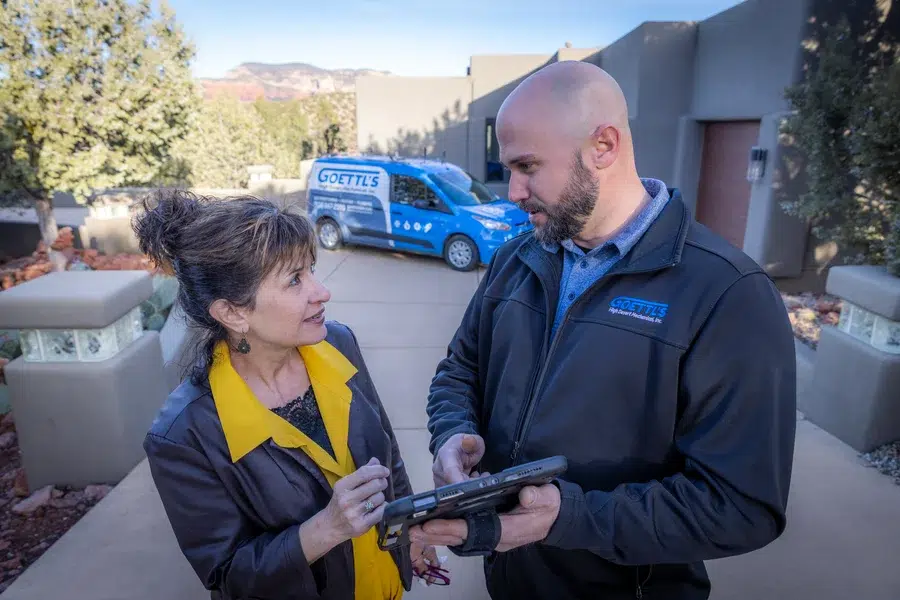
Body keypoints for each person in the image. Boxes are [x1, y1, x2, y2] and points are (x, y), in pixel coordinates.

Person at [410, 61, 797, 599]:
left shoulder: (728, 293)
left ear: (604, 146)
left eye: (527, 166)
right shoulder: (516, 260)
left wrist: (566, 517)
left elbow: (740, 506)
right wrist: (453, 433)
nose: (513, 192)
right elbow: (461, 368)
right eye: (508, 168)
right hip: (512, 580)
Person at [135, 191, 444, 600]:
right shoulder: (183, 435)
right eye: (295, 280)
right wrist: (325, 529)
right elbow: (230, 577)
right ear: (232, 313)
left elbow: (387, 453)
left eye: (311, 270)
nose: (322, 292)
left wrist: (411, 530)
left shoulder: (338, 343)